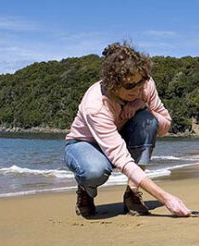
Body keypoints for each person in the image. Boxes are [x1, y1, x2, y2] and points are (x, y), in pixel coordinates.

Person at [64, 42, 190, 217]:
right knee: (94, 171)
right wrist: (166, 198)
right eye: (129, 86)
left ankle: (132, 192)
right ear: (112, 84)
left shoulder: (145, 85)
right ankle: (86, 189)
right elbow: (121, 158)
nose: (137, 88)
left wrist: (143, 106)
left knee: (148, 121)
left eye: (141, 82)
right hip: (84, 144)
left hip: (121, 136)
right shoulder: (96, 105)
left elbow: (164, 126)